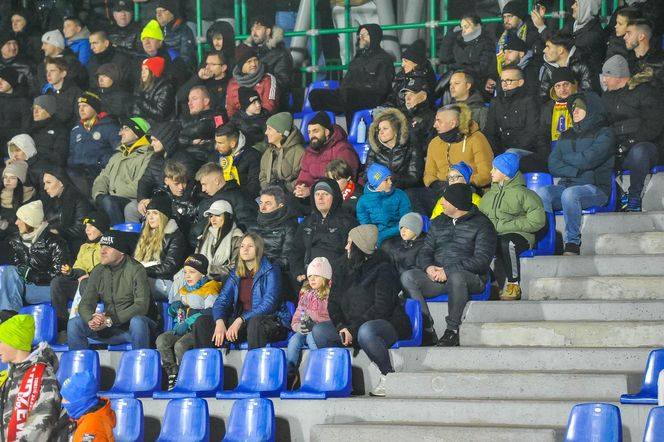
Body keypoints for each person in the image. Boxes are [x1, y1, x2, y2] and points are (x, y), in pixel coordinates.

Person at [312, 224, 411, 397]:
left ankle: (388, 375)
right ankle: (341, 380)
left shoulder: (384, 269)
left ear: (358, 247)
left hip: (385, 325)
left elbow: (382, 308)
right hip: (351, 326)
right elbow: (333, 303)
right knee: (320, 331)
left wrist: (353, 329)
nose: (345, 247)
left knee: (366, 331)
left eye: (349, 243)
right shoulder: (342, 267)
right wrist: (342, 326)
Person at [401, 184, 496, 346]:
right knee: (408, 277)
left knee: (456, 276)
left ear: (457, 203)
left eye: (445, 200)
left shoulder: (483, 224)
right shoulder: (438, 222)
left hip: (470, 278)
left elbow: (482, 260)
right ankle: (427, 329)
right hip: (438, 277)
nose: (441, 203)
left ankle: (452, 330)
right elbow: (425, 252)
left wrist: (448, 271)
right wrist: (428, 267)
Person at [535, 92, 615, 255]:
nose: (575, 111)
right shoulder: (566, 134)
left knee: (570, 195)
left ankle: (572, 243)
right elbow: (553, 164)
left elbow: (589, 159)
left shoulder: (605, 133)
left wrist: (568, 159)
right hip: (568, 185)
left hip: (596, 188)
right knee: (543, 193)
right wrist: (576, 170)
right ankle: (546, 239)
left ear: (591, 110)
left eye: (580, 107)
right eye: (573, 108)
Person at [192, 233, 292, 349]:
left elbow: (269, 303)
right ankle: (207, 364)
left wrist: (241, 319)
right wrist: (219, 321)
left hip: (271, 322)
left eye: (250, 246)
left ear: (258, 249)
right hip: (243, 324)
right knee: (202, 322)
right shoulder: (236, 273)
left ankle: (254, 365)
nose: (245, 249)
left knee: (255, 323)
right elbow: (222, 300)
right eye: (242, 246)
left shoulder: (271, 269)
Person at [68, 230, 159, 350]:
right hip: (111, 326)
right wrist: (92, 319)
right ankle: (80, 368)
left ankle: (142, 364)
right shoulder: (98, 271)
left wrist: (110, 320)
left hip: (138, 328)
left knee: (137, 322)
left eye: (108, 247)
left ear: (121, 251)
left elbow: (141, 306)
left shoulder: (136, 269)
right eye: (102, 246)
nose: (102, 251)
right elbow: (85, 304)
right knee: (75, 324)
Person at [479, 153, 545, 301]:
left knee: (507, 242)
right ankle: (493, 283)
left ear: (506, 173)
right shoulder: (488, 197)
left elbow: (537, 221)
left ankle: (513, 284)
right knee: (472, 245)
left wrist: (505, 226)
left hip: (520, 236)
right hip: (494, 236)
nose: (491, 172)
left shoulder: (525, 194)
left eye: (495, 169)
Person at [601, 55, 663, 212]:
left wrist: (630, 142)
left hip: (647, 146)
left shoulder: (643, 92)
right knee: (597, 154)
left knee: (639, 152)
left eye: (607, 75)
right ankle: (620, 195)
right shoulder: (606, 97)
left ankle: (634, 199)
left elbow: (654, 125)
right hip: (619, 147)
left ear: (619, 76)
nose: (603, 80)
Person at [157, 254, 221, 389]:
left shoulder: (210, 288)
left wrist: (188, 322)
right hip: (183, 328)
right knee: (162, 340)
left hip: (198, 331)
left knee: (180, 345)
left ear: (203, 274)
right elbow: (177, 309)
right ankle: (172, 374)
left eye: (192, 272)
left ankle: (185, 376)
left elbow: (210, 312)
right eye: (185, 272)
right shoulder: (184, 289)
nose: (187, 276)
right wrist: (172, 310)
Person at [308, 24, 395, 123]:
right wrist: (343, 90)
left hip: (371, 97)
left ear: (374, 36)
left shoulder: (383, 59)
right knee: (315, 95)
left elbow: (382, 87)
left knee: (351, 96)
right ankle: (325, 129)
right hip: (348, 96)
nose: (361, 37)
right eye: (360, 35)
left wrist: (357, 88)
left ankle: (351, 133)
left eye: (365, 35)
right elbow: (346, 82)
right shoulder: (357, 59)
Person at [0, 314, 61, 441]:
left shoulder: (44, 378)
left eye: (1, 341)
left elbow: (41, 427)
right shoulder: (8, 376)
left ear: (15, 342)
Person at [0, 200, 69, 311]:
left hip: (45, 289)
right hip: (19, 288)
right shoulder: (14, 241)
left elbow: (60, 274)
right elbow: (12, 272)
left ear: (30, 222)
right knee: (8, 271)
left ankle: (9, 316)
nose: (16, 223)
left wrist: (35, 276)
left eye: (20, 219)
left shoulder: (56, 242)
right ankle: (9, 315)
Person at [291, 178, 358, 284]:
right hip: (309, 279)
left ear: (335, 197)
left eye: (326, 194)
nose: (320, 198)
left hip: (336, 279)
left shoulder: (348, 222)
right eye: (317, 194)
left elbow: (353, 255)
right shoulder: (307, 223)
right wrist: (298, 272)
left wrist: (330, 275)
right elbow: (296, 251)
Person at [50, 213, 108, 336]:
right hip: (84, 283)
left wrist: (90, 276)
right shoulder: (84, 247)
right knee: (58, 282)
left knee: (86, 283)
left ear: (101, 228)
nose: (87, 230)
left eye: (91, 226)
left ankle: (92, 325)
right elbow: (79, 266)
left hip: (103, 286)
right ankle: (63, 327)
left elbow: (109, 266)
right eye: (86, 227)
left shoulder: (109, 244)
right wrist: (71, 272)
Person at [92, 117, 153, 225]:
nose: (120, 133)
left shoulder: (148, 155)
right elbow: (103, 177)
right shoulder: (118, 155)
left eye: (126, 129)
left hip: (132, 200)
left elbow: (140, 185)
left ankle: (119, 236)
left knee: (109, 202)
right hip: (111, 200)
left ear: (137, 131)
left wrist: (111, 195)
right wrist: (99, 195)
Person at [485, 66, 547, 173]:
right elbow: (490, 131)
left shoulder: (530, 101)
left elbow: (532, 133)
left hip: (528, 151)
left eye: (509, 80)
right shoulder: (496, 102)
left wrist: (506, 153)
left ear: (520, 82)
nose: (504, 84)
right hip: (504, 152)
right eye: (502, 80)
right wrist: (497, 152)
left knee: (510, 155)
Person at [424, 104, 493, 198]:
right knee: (413, 195)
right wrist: (435, 184)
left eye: (438, 121)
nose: (434, 125)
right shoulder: (434, 143)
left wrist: (463, 183)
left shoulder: (476, 139)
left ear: (453, 123)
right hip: (440, 190)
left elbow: (486, 173)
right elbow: (429, 174)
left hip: (469, 189)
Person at [286, 256, 332, 388]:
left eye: (316, 276)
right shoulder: (306, 295)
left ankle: (319, 371)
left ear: (325, 277)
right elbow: (296, 317)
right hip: (306, 330)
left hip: (319, 331)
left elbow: (331, 317)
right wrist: (299, 326)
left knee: (312, 338)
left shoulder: (329, 296)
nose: (311, 279)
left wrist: (315, 324)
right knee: (294, 340)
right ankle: (290, 374)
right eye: (310, 276)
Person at [294, 111, 360, 199]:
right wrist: (300, 188)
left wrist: (311, 190)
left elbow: (342, 181)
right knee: (292, 200)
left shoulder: (343, 149)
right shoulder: (309, 152)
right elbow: (304, 178)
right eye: (309, 132)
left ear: (326, 132)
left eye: (315, 131)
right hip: (316, 194)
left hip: (341, 194)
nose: (312, 135)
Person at [134, 194, 187, 301]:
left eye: (155, 213)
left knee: (136, 285)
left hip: (165, 282)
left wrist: (142, 271)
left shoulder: (175, 236)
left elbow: (169, 267)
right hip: (144, 277)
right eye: (148, 213)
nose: (151, 217)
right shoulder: (145, 235)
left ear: (163, 215)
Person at [67, 91, 121, 196]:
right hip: (77, 173)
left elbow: (119, 152)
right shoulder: (76, 129)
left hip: (98, 172)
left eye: (85, 106)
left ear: (95, 107)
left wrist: (100, 162)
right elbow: (71, 154)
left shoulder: (110, 126)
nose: (81, 109)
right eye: (79, 106)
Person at [249, 186, 298, 298]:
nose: (262, 208)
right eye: (261, 203)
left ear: (280, 206)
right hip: (251, 270)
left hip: (275, 274)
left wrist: (264, 268)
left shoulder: (289, 227)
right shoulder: (253, 227)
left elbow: (287, 258)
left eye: (268, 203)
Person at [191, 162, 258, 242]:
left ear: (216, 181)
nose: (203, 189)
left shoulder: (238, 197)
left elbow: (249, 225)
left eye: (204, 184)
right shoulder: (205, 200)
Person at [532, 0, 606, 70]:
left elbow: (564, 48)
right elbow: (554, 39)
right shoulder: (573, 25)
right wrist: (541, 26)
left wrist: (541, 27)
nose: (572, 6)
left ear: (586, 8)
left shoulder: (594, 34)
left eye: (576, 4)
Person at [364, 107, 424, 190]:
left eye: (385, 129)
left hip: (405, 190)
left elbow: (414, 177)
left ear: (396, 131)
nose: (381, 132)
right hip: (380, 189)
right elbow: (367, 175)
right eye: (379, 129)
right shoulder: (375, 148)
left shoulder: (411, 146)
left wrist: (390, 179)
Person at [357, 163, 411, 249]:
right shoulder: (363, 202)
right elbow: (366, 226)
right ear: (376, 183)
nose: (390, 182)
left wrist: (383, 235)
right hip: (375, 238)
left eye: (390, 178)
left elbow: (406, 221)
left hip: (398, 234)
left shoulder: (400, 195)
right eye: (386, 180)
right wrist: (376, 237)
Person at [440, 13, 495, 94]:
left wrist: (461, 69)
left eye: (466, 27)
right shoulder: (459, 42)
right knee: (449, 85)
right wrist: (450, 34)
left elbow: (483, 69)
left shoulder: (486, 43)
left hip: (477, 83)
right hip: (459, 80)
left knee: (453, 79)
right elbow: (444, 58)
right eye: (462, 28)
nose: (463, 30)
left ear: (478, 26)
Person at [244, 15, 294, 105]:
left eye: (258, 29)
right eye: (252, 29)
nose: (254, 33)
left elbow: (283, 82)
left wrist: (260, 84)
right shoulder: (247, 51)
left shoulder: (281, 53)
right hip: (250, 100)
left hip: (273, 101)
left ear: (268, 31)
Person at [42, 167, 92, 253]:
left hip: (73, 245)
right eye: (44, 183)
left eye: (49, 182)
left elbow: (82, 228)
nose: (45, 187)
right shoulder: (49, 200)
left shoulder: (79, 200)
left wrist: (58, 231)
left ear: (61, 182)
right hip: (55, 242)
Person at [538, 31, 598, 102]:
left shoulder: (584, 65)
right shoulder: (548, 69)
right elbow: (543, 98)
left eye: (548, 47)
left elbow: (589, 96)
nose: (544, 50)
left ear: (560, 50)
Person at [194, 199, 244, 281]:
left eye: (217, 215)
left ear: (227, 217)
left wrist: (209, 269)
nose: (213, 220)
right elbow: (195, 261)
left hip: (224, 284)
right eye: (211, 216)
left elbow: (236, 268)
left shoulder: (237, 238)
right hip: (202, 281)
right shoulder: (203, 238)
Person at [57, 372, 115, 441]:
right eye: (63, 398)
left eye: (67, 400)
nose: (62, 402)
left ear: (80, 401)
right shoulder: (85, 413)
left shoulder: (91, 428)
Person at [225, 46, 279, 118]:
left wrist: (251, 122)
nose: (253, 64)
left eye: (255, 60)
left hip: (263, 122)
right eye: (249, 61)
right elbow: (230, 110)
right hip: (240, 124)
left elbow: (269, 107)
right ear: (241, 65)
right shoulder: (232, 83)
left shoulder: (267, 79)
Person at [212, 123, 262, 200]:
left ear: (233, 144)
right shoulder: (216, 155)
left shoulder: (253, 157)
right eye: (216, 142)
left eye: (220, 143)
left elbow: (254, 187)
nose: (216, 147)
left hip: (243, 199)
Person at [385, 39, 437, 112]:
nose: (402, 65)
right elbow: (392, 97)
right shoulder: (401, 77)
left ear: (415, 63)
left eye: (406, 61)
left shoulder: (423, 79)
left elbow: (418, 106)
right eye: (402, 61)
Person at [259, 112, 305, 193]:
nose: (266, 132)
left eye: (269, 129)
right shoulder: (268, 152)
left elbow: (302, 177)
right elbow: (263, 176)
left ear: (280, 132)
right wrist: (268, 190)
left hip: (291, 196)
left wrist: (286, 189)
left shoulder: (299, 152)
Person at [177, 85, 217, 174]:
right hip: (184, 158)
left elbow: (202, 128)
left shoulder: (216, 114)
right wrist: (190, 141)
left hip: (203, 162)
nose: (189, 103)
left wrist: (182, 134)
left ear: (206, 101)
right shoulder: (185, 118)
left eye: (194, 99)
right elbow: (173, 138)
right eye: (188, 100)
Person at [539, 67, 577, 152]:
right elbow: (542, 136)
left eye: (566, 84)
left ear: (573, 85)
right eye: (558, 86)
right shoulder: (548, 107)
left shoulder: (583, 103)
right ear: (554, 89)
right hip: (554, 152)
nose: (562, 89)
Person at [27, 95, 69, 169]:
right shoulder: (30, 129)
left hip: (47, 170)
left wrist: (37, 152)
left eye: (40, 108)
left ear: (50, 110)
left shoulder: (60, 130)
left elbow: (59, 159)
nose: (35, 112)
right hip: (29, 167)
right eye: (34, 108)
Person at [624, 18, 664, 94]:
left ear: (641, 37)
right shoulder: (624, 60)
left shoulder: (660, 62)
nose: (624, 37)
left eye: (629, 33)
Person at [132, 56, 175, 122]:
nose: (143, 72)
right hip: (142, 123)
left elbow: (160, 114)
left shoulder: (165, 87)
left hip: (156, 126)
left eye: (146, 69)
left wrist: (141, 101)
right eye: (142, 69)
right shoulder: (141, 87)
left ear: (154, 72)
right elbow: (136, 112)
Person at [42, 57, 83, 125]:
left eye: (52, 71)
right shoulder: (47, 93)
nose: (48, 75)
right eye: (47, 71)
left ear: (63, 73)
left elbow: (80, 118)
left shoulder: (76, 93)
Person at [0, 161, 35, 239]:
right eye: (5, 177)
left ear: (20, 180)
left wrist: (4, 225)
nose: (7, 181)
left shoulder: (28, 198)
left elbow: (28, 230)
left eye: (12, 178)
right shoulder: (2, 194)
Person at [155, 0, 196, 65]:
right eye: (157, 12)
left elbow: (186, 58)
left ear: (172, 13)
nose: (158, 15)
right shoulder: (156, 30)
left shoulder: (184, 31)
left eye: (162, 11)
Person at [0, 67, 30, 148]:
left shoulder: (23, 102)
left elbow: (25, 129)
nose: (0, 83)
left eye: (3, 79)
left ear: (11, 81)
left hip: (14, 145)